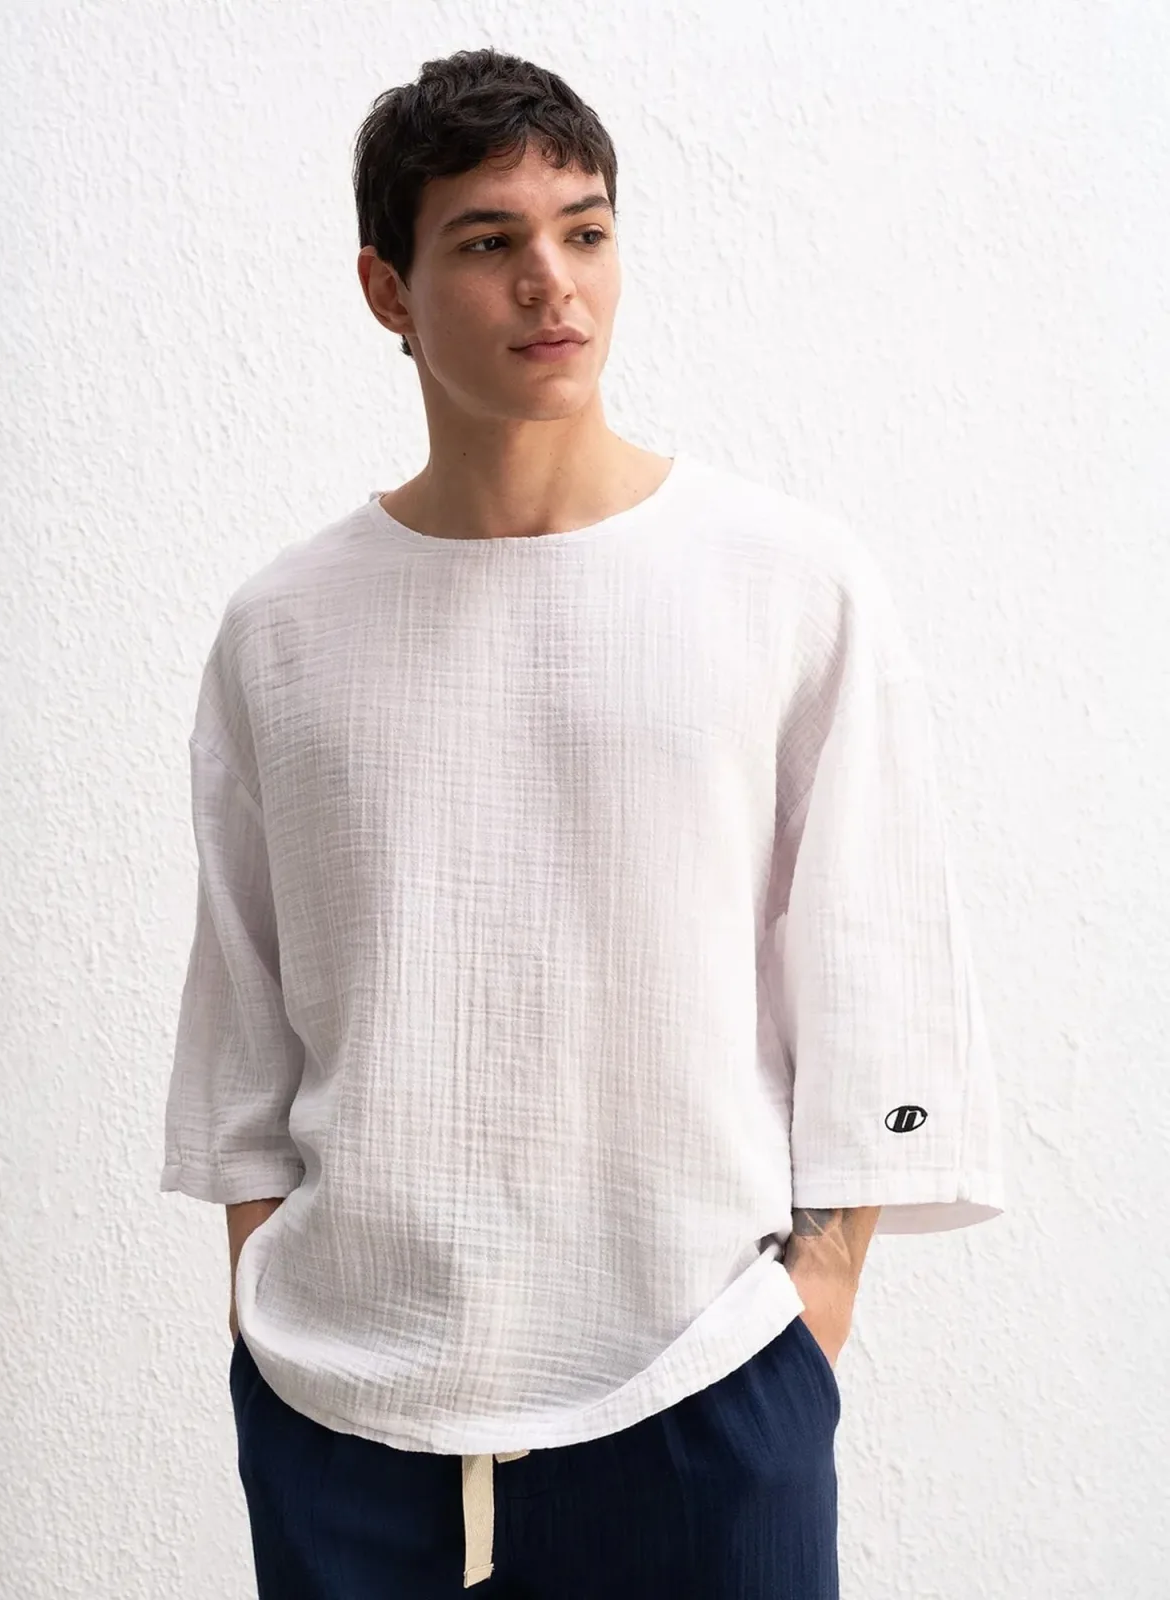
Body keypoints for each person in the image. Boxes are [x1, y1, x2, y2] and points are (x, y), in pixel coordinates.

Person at [159, 45, 1006, 1600]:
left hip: (701, 1374)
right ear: (388, 289)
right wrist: (261, 1301)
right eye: (489, 240)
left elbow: (877, 964)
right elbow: (245, 1015)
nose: (552, 281)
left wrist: (813, 1308)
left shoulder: (785, 581)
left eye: (586, 231)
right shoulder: (283, 628)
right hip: (341, 1400)